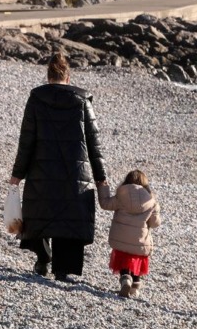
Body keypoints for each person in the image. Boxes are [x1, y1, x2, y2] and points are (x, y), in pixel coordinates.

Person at [9, 52, 108, 282]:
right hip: (75, 172)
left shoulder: (36, 98)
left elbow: (27, 141)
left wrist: (17, 175)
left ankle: (43, 260)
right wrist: (100, 177)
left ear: (48, 75)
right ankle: (62, 270)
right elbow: (94, 143)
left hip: (41, 168)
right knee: (70, 217)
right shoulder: (82, 101)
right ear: (68, 75)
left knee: (41, 212)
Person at [98, 169, 161, 298]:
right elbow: (155, 223)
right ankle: (135, 285)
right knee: (137, 259)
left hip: (121, 238)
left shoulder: (121, 196)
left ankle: (125, 278)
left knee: (123, 258)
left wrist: (102, 186)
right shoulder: (151, 201)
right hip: (140, 240)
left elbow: (105, 204)